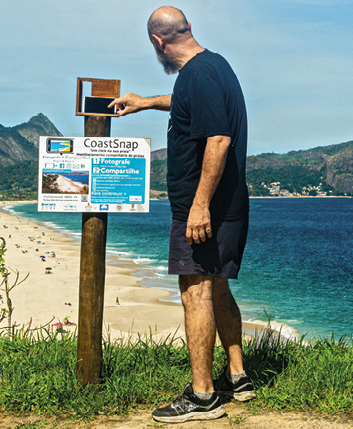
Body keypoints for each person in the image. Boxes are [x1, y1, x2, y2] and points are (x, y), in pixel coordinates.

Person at [109, 6, 255, 423]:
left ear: (158, 42)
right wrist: (145, 102)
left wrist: (198, 205)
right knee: (218, 288)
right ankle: (238, 376)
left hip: (205, 209)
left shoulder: (199, 73)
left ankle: (203, 396)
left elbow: (219, 139)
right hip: (228, 207)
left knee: (195, 292)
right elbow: (186, 103)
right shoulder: (213, 67)